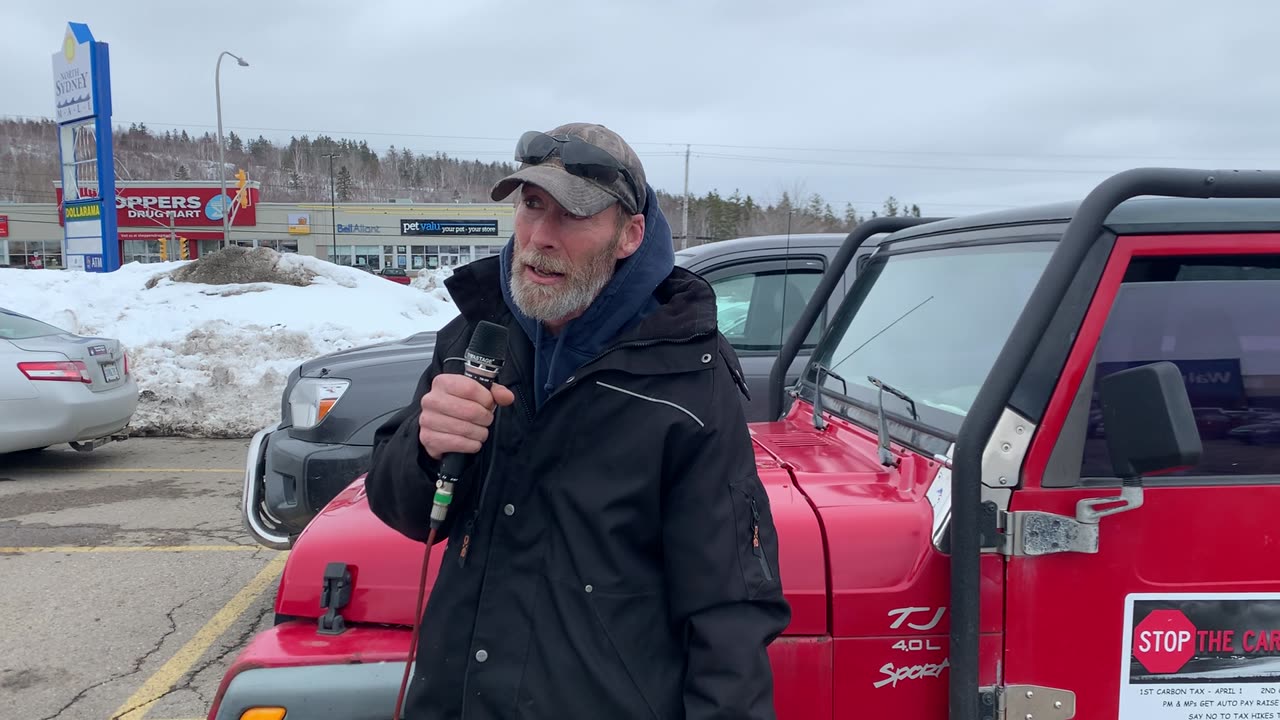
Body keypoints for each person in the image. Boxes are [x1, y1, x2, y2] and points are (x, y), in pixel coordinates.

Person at [364, 122, 792, 720]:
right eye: (532, 206)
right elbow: (403, 510)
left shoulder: (685, 377)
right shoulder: (476, 340)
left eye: (572, 215)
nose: (540, 236)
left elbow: (729, 609)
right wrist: (424, 447)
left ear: (629, 234)